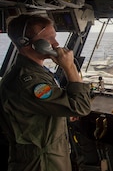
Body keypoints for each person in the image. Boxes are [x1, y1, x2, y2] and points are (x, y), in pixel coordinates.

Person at [0, 13, 92, 171]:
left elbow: (37, 112)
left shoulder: (35, 72)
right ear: (25, 43)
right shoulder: (28, 82)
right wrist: (69, 67)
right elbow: (81, 107)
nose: (56, 44)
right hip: (43, 163)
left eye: (55, 37)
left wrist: (62, 110)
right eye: (49, 39)